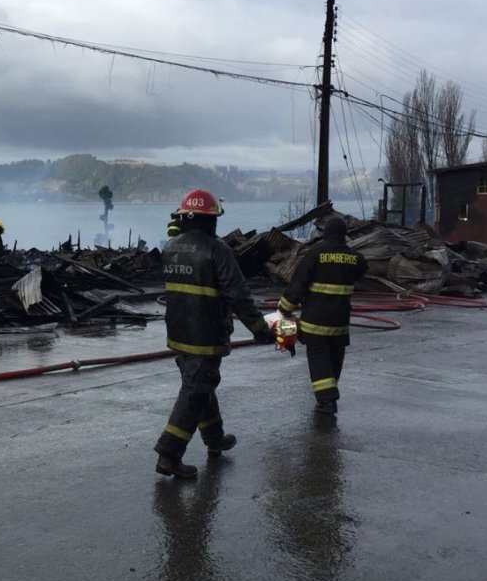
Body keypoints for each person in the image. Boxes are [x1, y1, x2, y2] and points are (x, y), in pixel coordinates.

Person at [154, 188, 276, 479]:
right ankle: (168, 454)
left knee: (201, 385)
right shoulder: (217, 250)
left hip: (178, 332)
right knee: (196, 392)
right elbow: (239, 295)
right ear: (211, 220)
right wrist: (260, 330)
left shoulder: (171, 247)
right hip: (205, 335)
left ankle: (215, 439)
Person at [277, 217, 368, 416]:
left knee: (319, 359)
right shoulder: (354, 258)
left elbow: (298, 285)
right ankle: (330, 391)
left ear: (325, 234)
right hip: (340, 323)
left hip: (315, 323)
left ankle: (327, 400)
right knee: (335, 358)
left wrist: (284, 309)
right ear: (343, 235)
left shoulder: (314, 254)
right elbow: (363, 268)